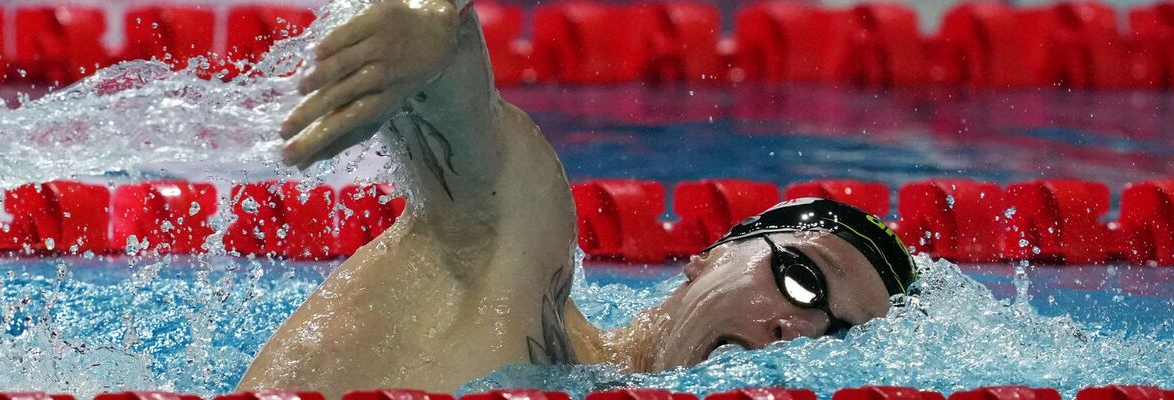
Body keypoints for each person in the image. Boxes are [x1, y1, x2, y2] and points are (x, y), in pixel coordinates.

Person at [237, 0, 918, 396]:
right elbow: (478, 145)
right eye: (801, 283)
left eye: (837, 335)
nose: (796, 332)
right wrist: (434, 31)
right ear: (710, 255)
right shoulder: (512, 280)